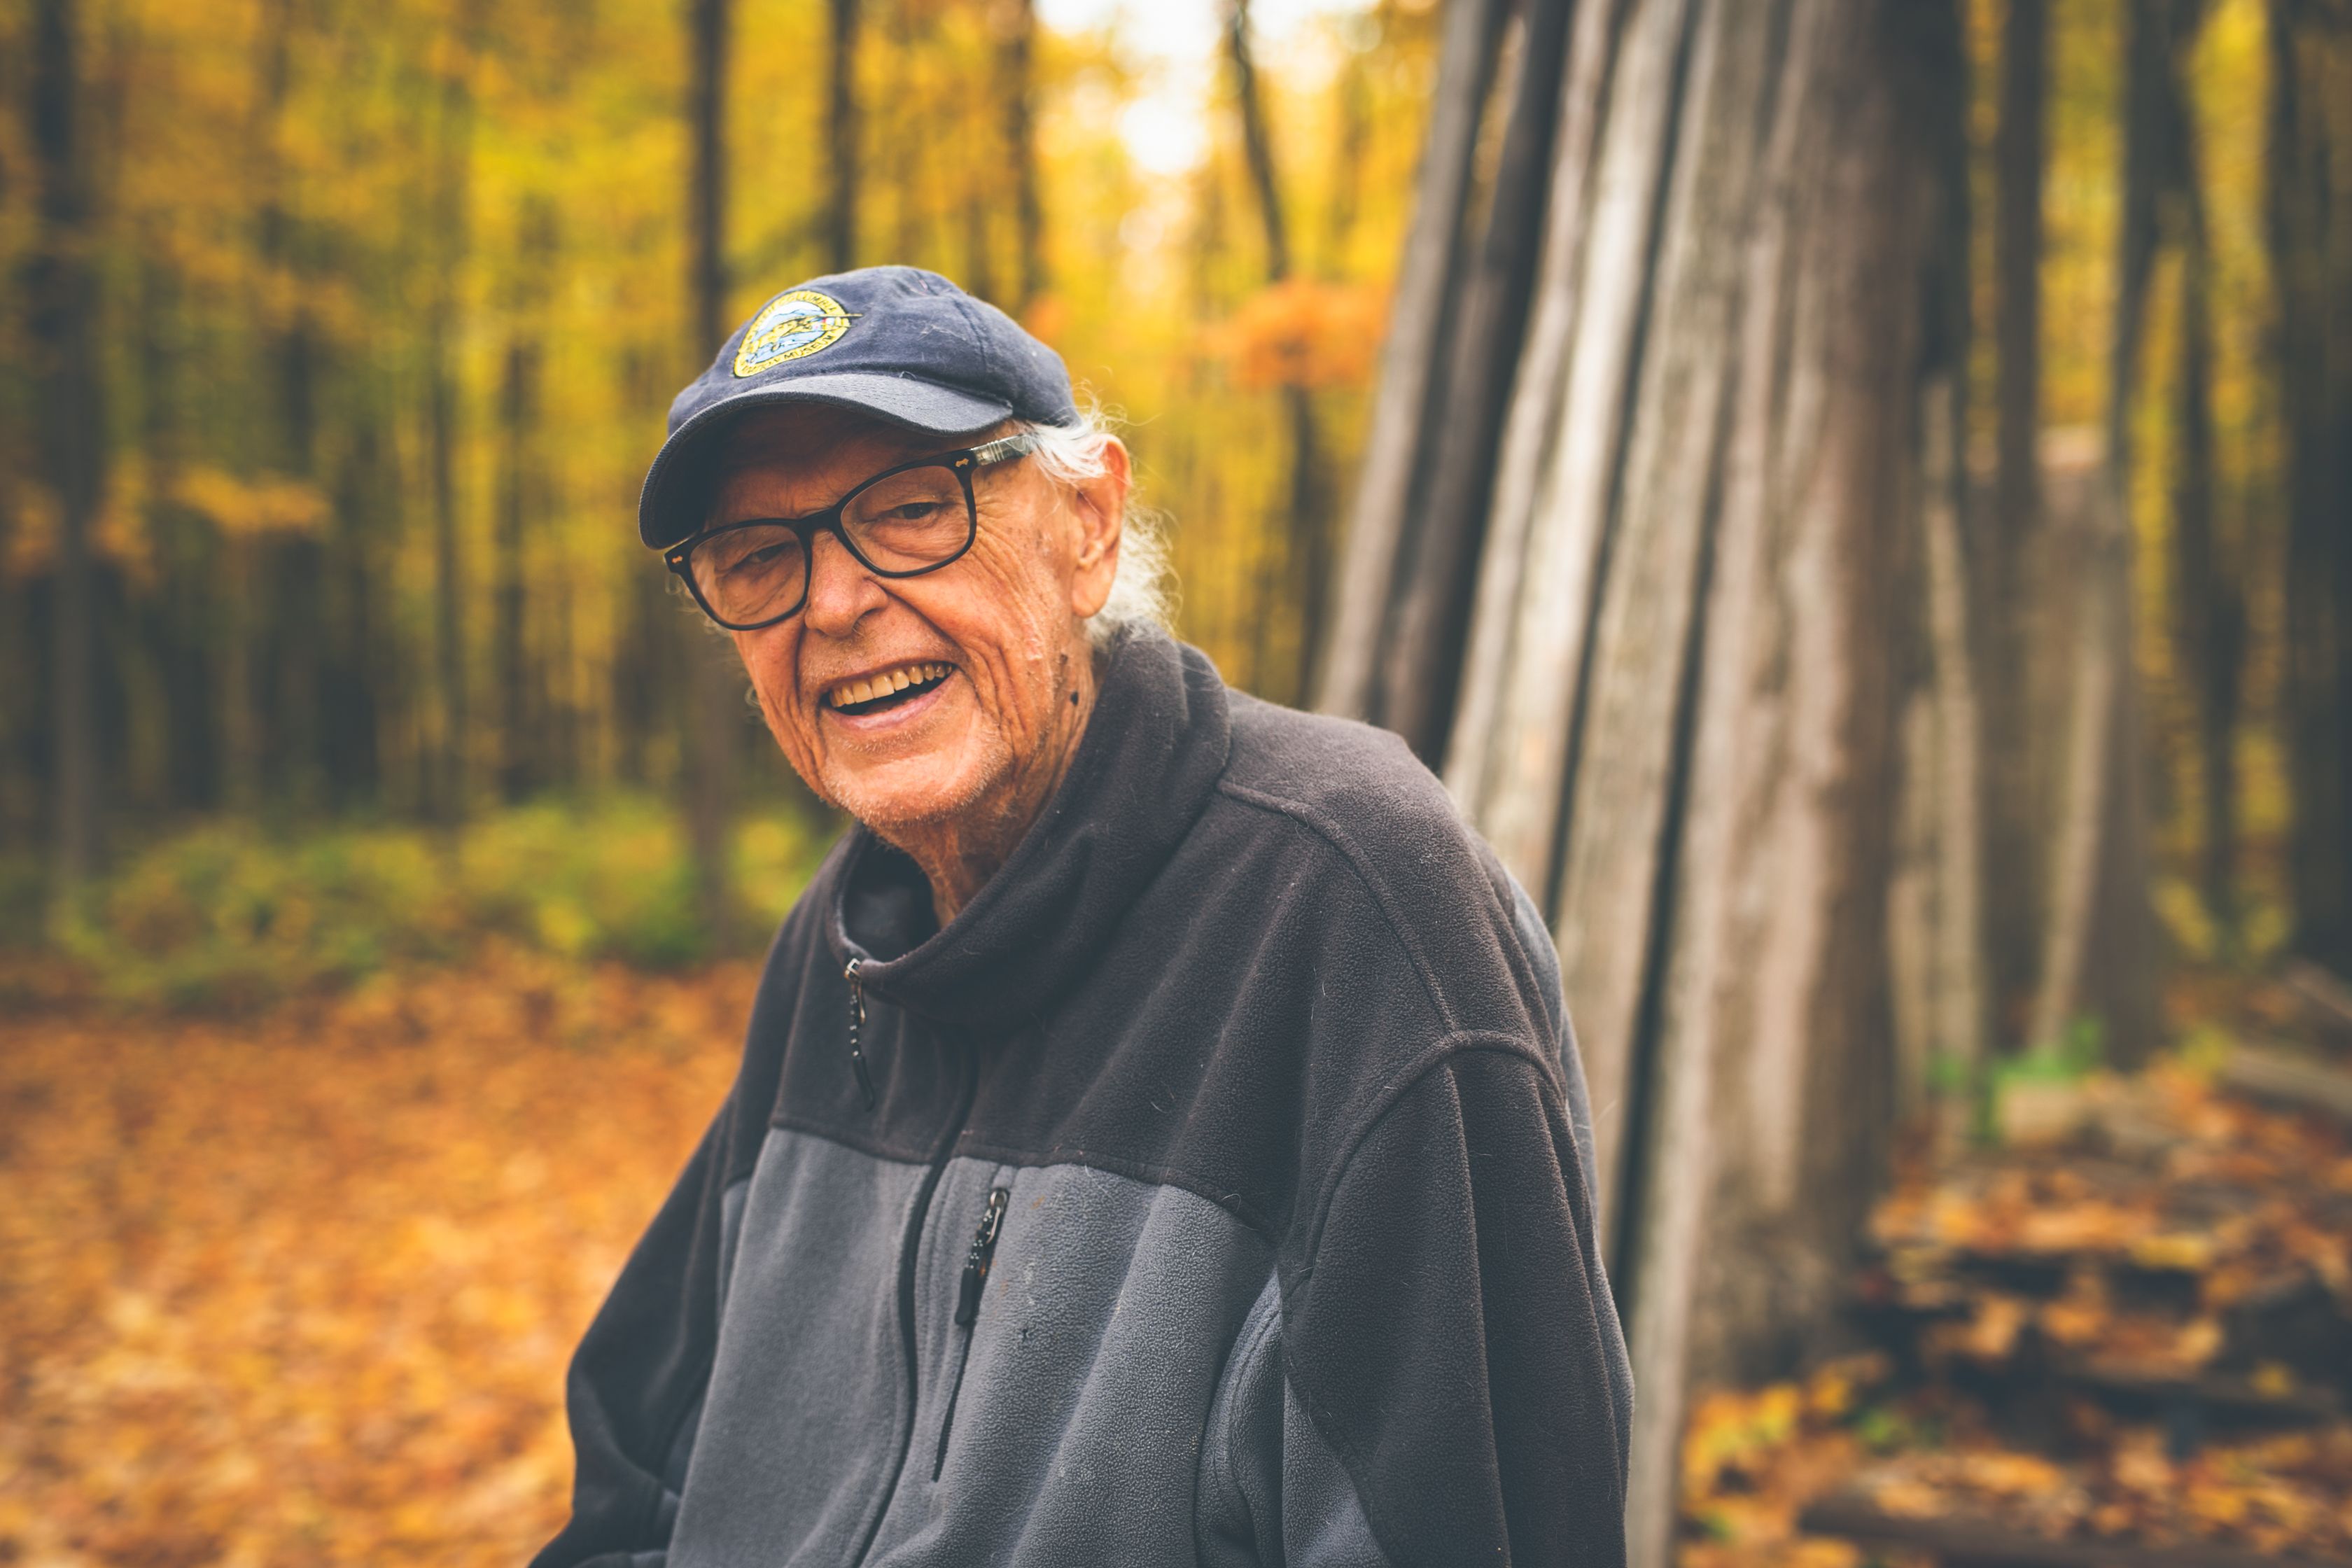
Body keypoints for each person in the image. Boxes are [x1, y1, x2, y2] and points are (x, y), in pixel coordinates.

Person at [533, 265, 1631, 1568]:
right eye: (757, 556)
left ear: (1088, 525)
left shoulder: (1351, 903)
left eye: (908, 510)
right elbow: (638, 1484)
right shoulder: (848, 937)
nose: (829, 605)